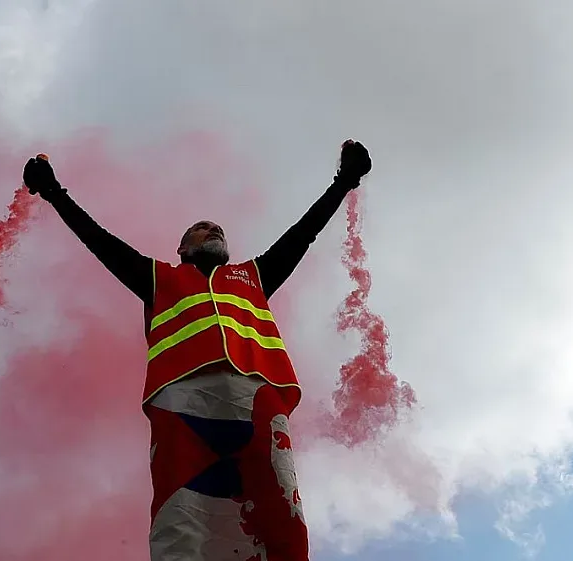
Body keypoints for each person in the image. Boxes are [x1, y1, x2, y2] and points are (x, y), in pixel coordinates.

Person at [22, 140, 373, 561]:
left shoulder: (252, 275)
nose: (214, 230)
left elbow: (303, 234)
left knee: (279, 507)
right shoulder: (159, 277)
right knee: (182, 511)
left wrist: (343, 182)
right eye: (202, 228)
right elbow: (99, 241)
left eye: (218, 228)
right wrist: (53, 191)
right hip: (181, 398)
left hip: (256, 393)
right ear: (183, 248)